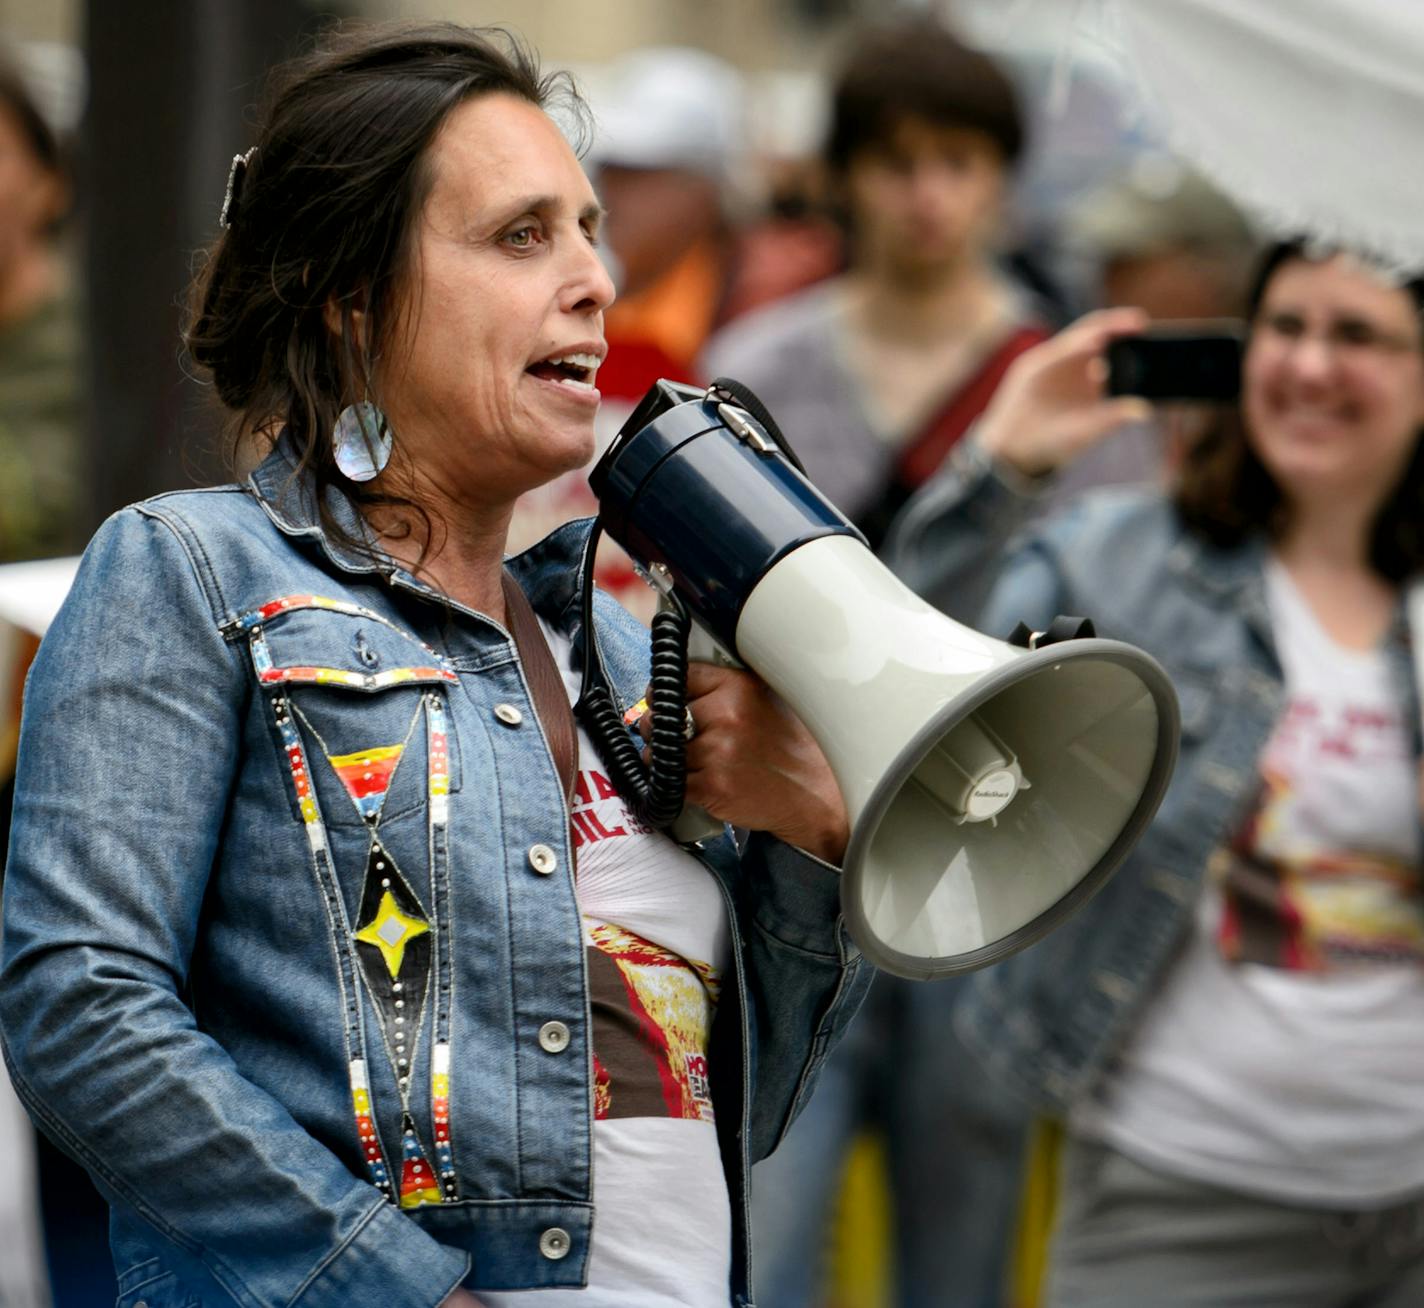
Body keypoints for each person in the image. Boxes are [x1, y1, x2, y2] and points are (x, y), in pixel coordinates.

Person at [0, 25, 871, 1308]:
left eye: (586, 229)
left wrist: (805, 847)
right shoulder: (193, 572)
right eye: (522, 236)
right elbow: (81, 1002)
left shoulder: (624, 651)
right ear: (351, 298)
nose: (593, 277)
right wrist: (395, 1291)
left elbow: (724, 1108)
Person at [886, 241, 1424, 1306]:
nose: (1309, 367)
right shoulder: (1118, 559)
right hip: (1174, 1194)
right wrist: (1004, 464)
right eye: (1284, 328)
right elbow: (903, 673)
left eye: (1354, 336)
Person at [701, 18, 1050, 551]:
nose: (928, 194)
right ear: (842, 179)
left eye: (958, 162)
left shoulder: (1056, 379)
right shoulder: (750, 372)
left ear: (1001, 178)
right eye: (896, 164)